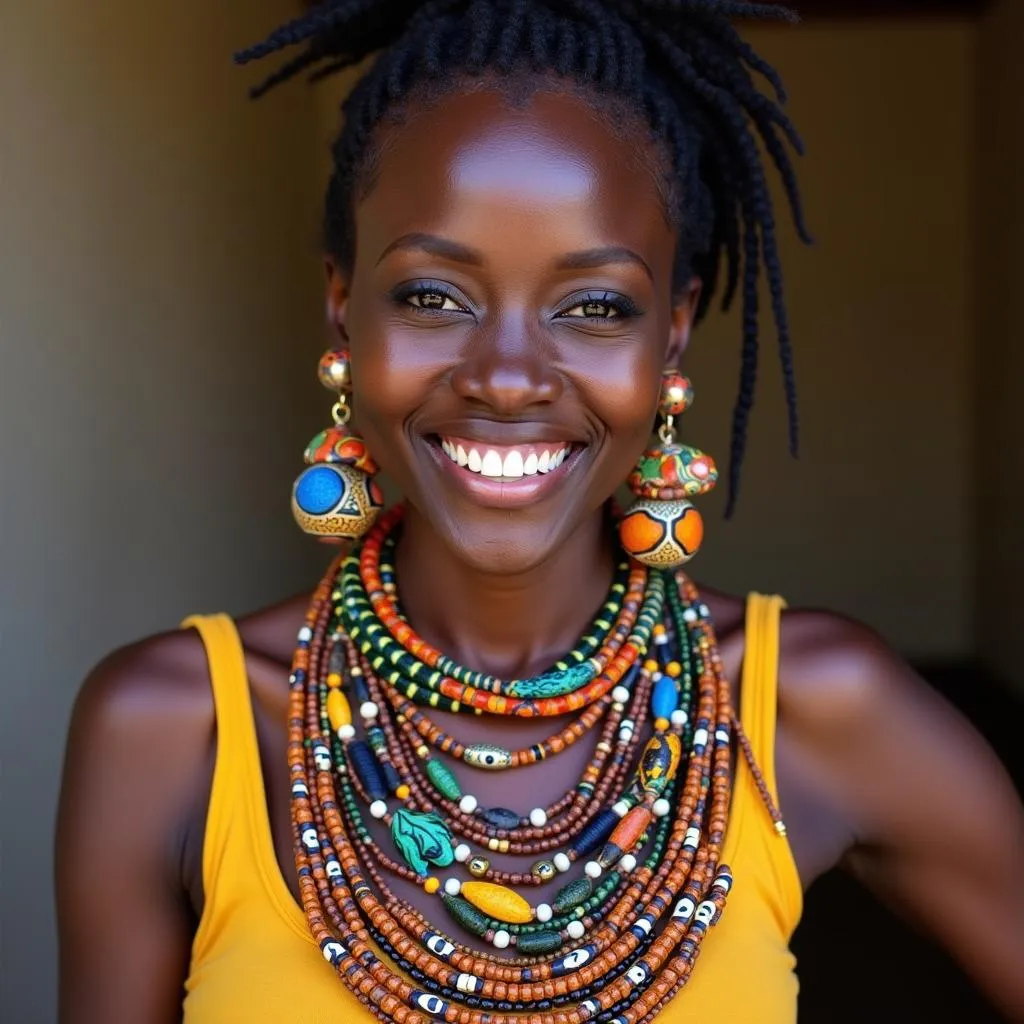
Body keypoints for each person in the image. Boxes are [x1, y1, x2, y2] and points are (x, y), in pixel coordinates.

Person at [56, 1, 1024, 1022]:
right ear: (343, 304)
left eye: (595, 305)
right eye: (433, 295)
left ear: (673, 333)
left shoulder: (812, 708)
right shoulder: (176, 725)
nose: (508, 378)